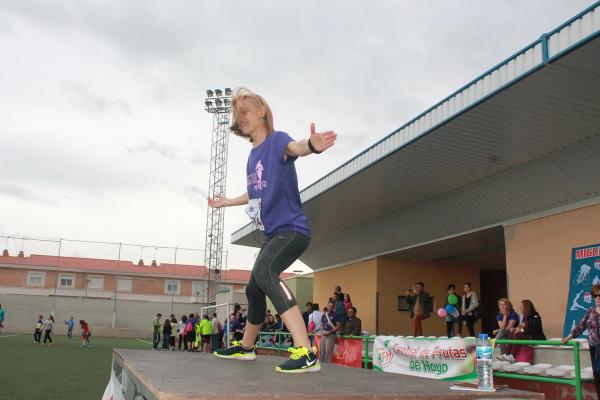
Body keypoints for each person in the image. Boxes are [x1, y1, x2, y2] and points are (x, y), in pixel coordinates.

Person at [210, 87, 336, 373]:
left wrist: (313, 146)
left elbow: (298, 148)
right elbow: (256, 191)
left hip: (292, 230)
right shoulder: (253, 155)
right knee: (255, 288)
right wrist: (227, 201)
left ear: (261, 112)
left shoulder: (278, 141)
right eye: (235, 114)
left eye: (244, 111)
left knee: (266, 274)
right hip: (272, 235)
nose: (239, 117)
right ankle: (246, 348)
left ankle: (305, 352)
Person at [563, 283, 600, 398]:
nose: (598, 298)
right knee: (598, 376)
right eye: (595, 296)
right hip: (594, 348)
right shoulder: (590, 311)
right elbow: (580, 326)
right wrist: (568, 337)